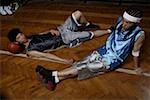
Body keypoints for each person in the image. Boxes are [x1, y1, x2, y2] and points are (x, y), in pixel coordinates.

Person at [35, 7, 145, 91]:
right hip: (104, 49)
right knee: (82, 62)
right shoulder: (120, 20)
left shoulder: (139, 34)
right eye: (124, 20)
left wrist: (136, 67)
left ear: (136, 23)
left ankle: (52, 74)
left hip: (113, 59)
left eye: (128, 22)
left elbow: (136, 52)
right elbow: (112, 31)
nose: (124, 24)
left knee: (86, 67)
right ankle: (55, 79)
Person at [7, 10, 103, 64]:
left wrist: (50, 30)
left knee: (77, 13)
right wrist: (65, 61)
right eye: (19, 38)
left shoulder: (30, 37)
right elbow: (46, 55)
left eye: (21, 34)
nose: (22, 37)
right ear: (17, 42)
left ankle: (86, 24)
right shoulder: (30, 51)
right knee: (91, 34)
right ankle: (110, 30)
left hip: (61, 29)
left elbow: (42, 34)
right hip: (66, 38)